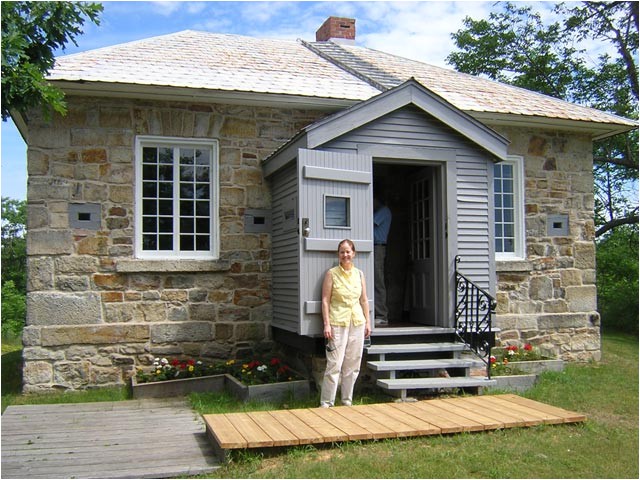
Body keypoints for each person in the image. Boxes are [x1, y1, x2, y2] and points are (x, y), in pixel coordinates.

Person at [320, 239, 372, 407]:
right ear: (338, 255)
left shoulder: (359, 274)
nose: (345, 255)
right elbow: (325, 300)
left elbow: (364, 300)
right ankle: (327, 403)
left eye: (348, 251)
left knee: (353, 364)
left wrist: (368, 322)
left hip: (357, 321)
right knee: (334, 363)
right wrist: (326, 324)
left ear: (354, 253)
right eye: (342, 252)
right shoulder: (332, 273)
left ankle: (346, 401)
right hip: (337, 322)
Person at [373, 194, 392, 327]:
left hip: (378, 247)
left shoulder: (383, 211)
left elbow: (369, 222)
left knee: (378, 281)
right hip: (373, 247)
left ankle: (382, 315)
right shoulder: (380, 211)